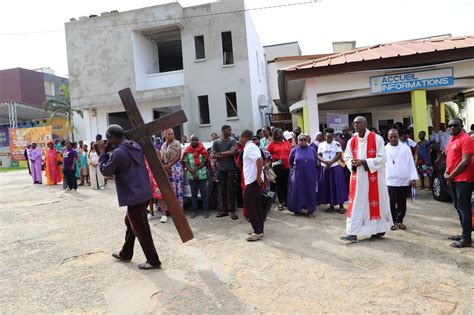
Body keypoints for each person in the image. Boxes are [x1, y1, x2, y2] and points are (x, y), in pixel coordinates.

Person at [98, 124, 161, 270]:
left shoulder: (118, 153)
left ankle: (153, 260)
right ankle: (126, 253)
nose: (107, 141)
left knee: (141, 228)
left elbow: (106, 171)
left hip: (134, 196)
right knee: (130, 222)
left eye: (108, 138)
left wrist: (102, 153)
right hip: (144, 192)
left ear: (113, 137)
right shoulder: (135, 145)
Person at [341, 116, 393, 243]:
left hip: (373, 178)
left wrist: (364, 162)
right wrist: (352, 163)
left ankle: (378, 230)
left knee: (376, 203)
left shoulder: (377, 139)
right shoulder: (351, 141)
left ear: (365, 124)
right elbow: (346, 157)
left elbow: (382, 158)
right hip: (357, 179)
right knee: (357, 204)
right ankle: (352, 233)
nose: (355, 125)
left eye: (357, 123)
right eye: (354, 123)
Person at [444, 118, 474, 248]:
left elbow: (465, 161)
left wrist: (451, 175)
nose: (451, 128)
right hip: (454, 179)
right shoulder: (451, 140)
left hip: (463, 179)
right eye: (449, 126)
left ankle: (466, 239)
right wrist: (446, 172)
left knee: (464, 208)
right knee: (457, 206)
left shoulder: (466, 139)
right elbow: (450, 159)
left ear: (461, 126)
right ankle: (464, 234)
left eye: (454, 125)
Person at [385, 129, 418, 230]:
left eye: (395, 136)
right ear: (388, 137)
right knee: (391, 202)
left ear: (398, 136)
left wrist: (413, 178)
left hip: (403, 180)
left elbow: (411, 163)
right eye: (391, 137)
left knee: (402, 202)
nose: (393, 139)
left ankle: (399, 221)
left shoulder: (405, 148)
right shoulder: (384, 149)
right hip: (389, 180)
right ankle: (393, 221)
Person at [241, 130, 265, 241]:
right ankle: (259, 229)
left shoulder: (250, 147)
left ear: (244, 137)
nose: (239, 140)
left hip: (252, 181)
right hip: (252, 181)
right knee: (257, 206)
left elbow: (259, 160)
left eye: (240, 138)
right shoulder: (252, 146)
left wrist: (259, 176)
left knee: (251, 206)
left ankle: (258, 231)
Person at [287, 134, 318, 218]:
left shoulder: (312, 150)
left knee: (310, 191)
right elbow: (290, 162)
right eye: (301, 140)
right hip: (298, 174)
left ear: (307, 140)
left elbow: (316, 161)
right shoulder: (294, 150)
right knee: (297, 190)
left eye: (305, 140)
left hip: (310, 174)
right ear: (298, 141)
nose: (303, 141)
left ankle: (310, 210)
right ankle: (297, 209)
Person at [318, 129, 348, 213]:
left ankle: (341, 206)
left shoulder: (337, 144)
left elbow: (339, 154)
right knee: (328, 187)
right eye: (327, 137)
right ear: (325, 136)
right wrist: (325, 161)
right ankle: (331, 206)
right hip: (325, 168)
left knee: (338, 186)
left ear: (333, 137)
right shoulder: (321, 145)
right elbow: (319, 155)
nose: (329, 139)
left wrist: (331, 162)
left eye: (331, 137)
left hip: (335, 168)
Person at [212, 125, 238, 220]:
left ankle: (233, 211)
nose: (230, 131)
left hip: (231, 168)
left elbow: (232, 151)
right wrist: (221, 155)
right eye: (229, 130)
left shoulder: (233, 140)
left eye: (231, 130)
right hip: (221, 169)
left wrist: (220, 154)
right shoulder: (216, 142)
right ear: (223, 130)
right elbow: (212, 155)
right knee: (222, 189)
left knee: (231, 189)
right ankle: (224, 210)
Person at [182, 135, 211, 218]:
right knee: (193, 194)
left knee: (204, 194)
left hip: (202, 175)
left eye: (195, 140)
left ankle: (206, 210)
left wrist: (196, 169)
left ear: (198, 140)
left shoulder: (202, 149)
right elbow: (185, 161)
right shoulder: (187, 150)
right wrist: (191, 170)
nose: (194, 141)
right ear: (190, 141)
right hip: (191, 176)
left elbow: (205, 161)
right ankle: (194, 211)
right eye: (192, 140)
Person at [160, 128, 184, 223]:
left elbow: (178, 157)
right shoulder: (163, 145)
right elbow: (161, 158)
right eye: (169, 134)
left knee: (177, 190)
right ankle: (170, 210)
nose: (171, 135)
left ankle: (179, 211)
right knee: (169, 190)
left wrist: (169, 166)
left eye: (172, 134)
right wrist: (165, 167)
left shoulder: (177, 143)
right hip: (166, 168)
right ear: (165, 135)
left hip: (175, 168)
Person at [267, 128, 291, 211]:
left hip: (286, 166)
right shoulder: (272, 144)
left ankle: (286, 201)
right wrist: (270, 162)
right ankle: (280, 202)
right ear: (274, 134)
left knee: (285, 185)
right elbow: (267, 155)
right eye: (277, 133)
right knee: (279, 185)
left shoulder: (287, 143)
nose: (279, 134)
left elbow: (290, 153)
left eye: (281, 132)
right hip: (277, 167)